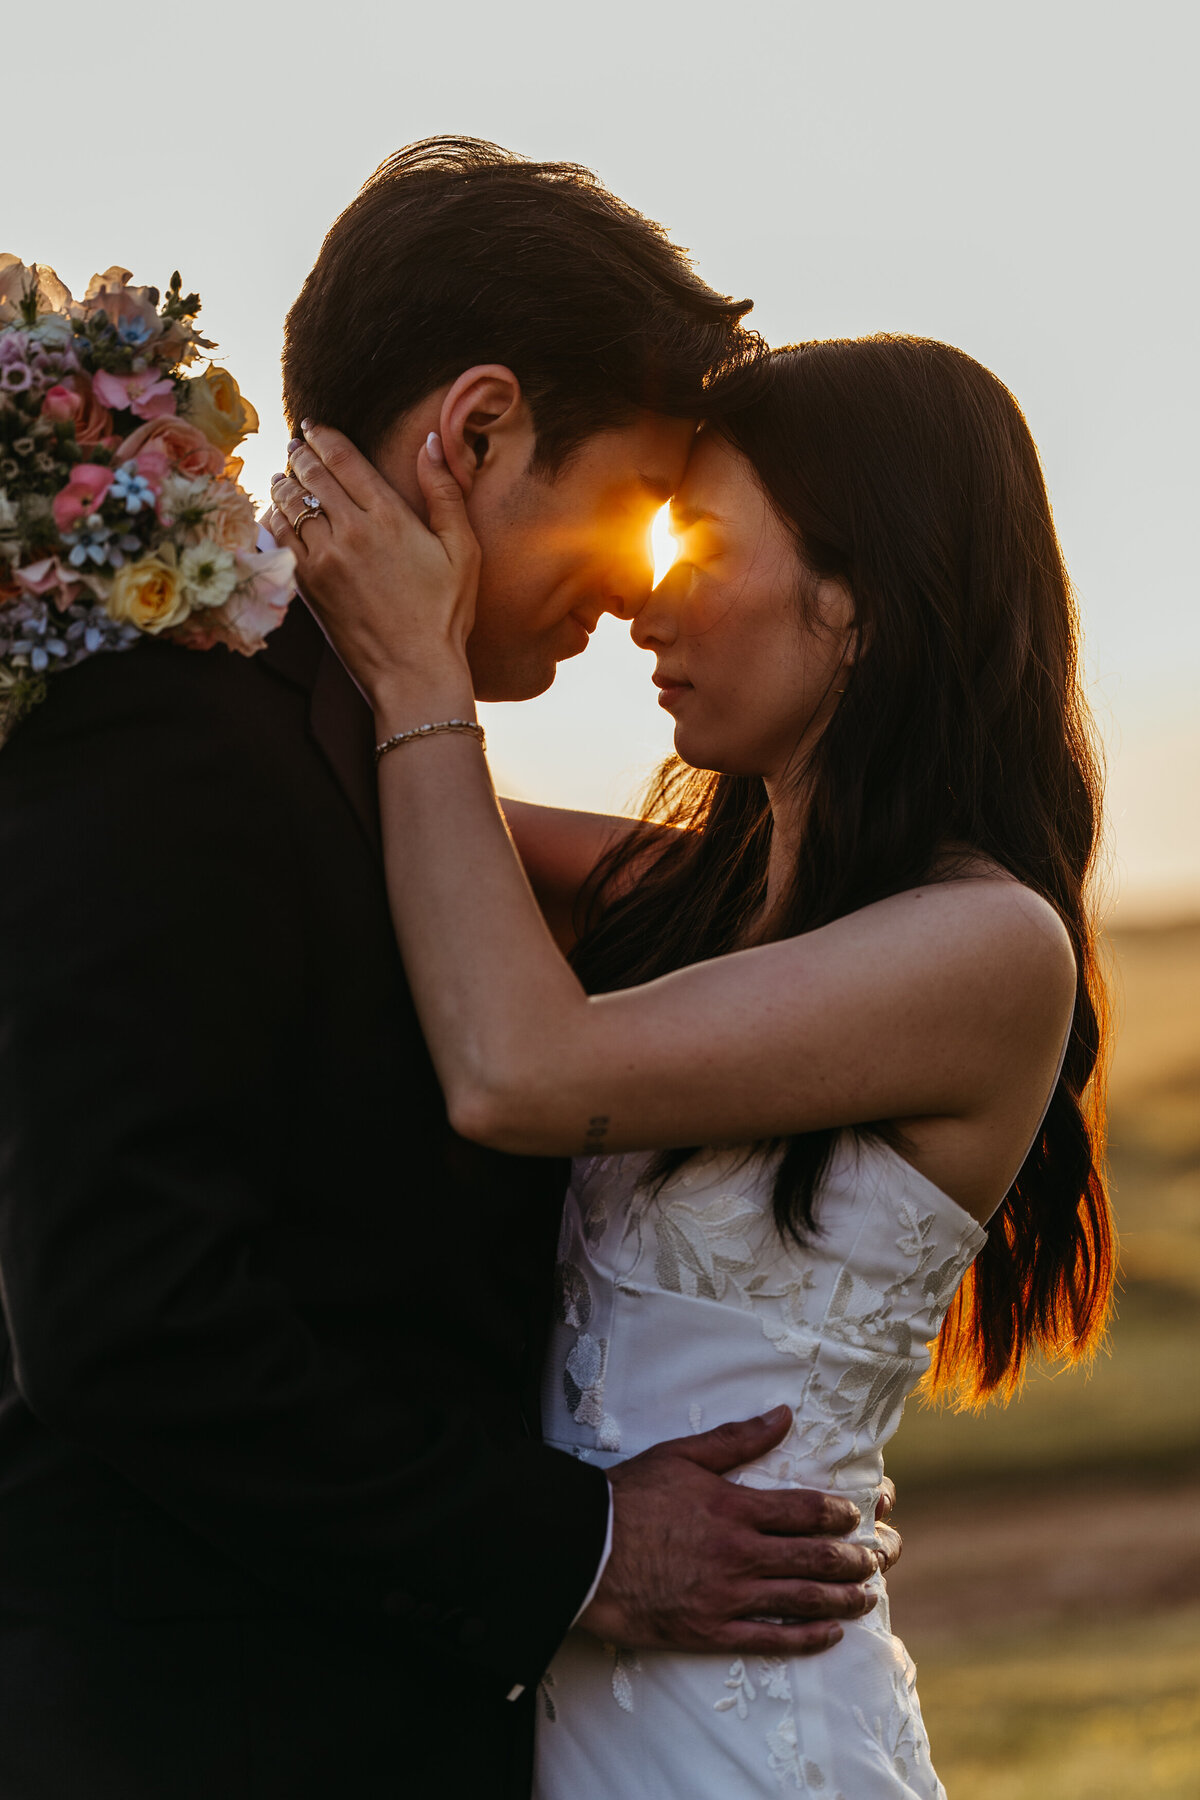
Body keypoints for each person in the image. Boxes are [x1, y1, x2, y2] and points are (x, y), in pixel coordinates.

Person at [0, 142, 883, 1800]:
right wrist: (581, 1548)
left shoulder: (394, 765)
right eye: (636, 501)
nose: (640, 582)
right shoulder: (172, 741)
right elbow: (128, 1318)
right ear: (476, 434)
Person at [266, 331, 1116, 1797]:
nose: (644, 605)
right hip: (567, 1717)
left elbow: (516, 1070)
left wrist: (418, 663)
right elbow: (379, 801)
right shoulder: (694, 906)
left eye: (704, 548)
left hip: (752, 1742)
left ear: (860, 597)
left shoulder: (988, 948)